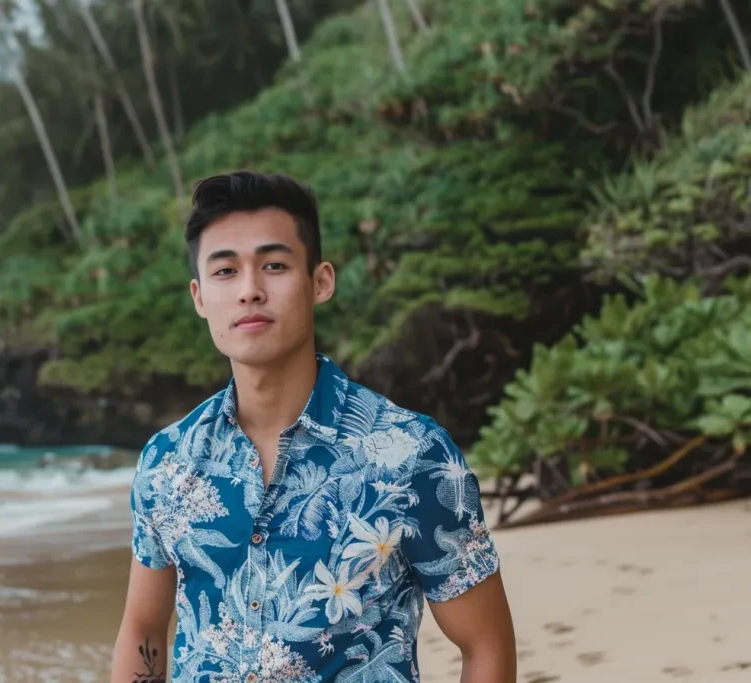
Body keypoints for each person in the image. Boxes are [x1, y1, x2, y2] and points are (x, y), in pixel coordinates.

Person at [111, 171, 516, 683]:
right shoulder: (167, 461)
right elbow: (144, 629)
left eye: (274, 265)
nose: (250, 291)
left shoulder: (412, 455)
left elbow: (485, 643)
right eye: (225, 272)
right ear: (198, 297)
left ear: (320, 281)